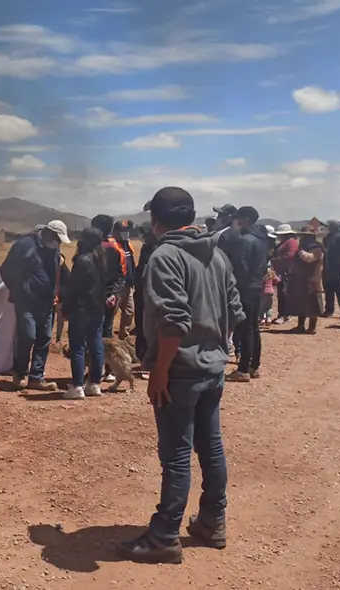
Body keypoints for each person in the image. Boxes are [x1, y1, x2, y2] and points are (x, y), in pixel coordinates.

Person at [117, 187, 244, 564]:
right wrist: (217, 348)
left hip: (180, 371)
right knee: (211, 447)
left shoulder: (165, 257)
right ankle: (211, 521)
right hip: (212, 368)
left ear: (156, 221)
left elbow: (173, 323)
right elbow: (235, 309)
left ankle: (165, 536)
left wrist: (159, 370)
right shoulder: (217, 255)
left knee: (175, 457)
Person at [0, 220, 70, 390]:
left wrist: (57, 293)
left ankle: (36, 378)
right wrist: (21, 290)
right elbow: (6, 270)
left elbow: (55, 272)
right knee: (28, 336)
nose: (58, 243)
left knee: (44, 339)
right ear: (48, 233)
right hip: (27, 302)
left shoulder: (54, 248)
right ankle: (19, 374)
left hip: (47, 302)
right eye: (57, 238)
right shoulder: (24, 246)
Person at [224, 207, 270, 382]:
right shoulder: (260, 239)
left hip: (245, 288)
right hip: (256, 286)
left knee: (245, 329)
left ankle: (243, 369)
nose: (236, 222)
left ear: (248, 220)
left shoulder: (245, 241)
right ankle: (253, 366)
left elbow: (241, 268)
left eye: (239, 219)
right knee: (253, 328)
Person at [61, 228, 108, 400]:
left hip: (81, 309)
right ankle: (94, 383)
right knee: (96, 345)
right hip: (98, 308)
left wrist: (66, 308)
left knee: (78, 347)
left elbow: (74, 288)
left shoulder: (82, 260)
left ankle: (77, 386)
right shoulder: (103, 259)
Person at [91, 215, 127, 340]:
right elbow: (121, 274)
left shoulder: (87, 249)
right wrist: (114, 294)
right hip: (109, 298)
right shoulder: (116, 249)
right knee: (106, 329)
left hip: (91, 299)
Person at [286, 228, 324, 334]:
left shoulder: (316, 249)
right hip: (301, 279)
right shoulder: (302, 247)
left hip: (312, 279)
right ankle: (300, 326)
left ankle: (312, 327)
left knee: (313, 304)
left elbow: (309, 258)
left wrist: (300, 251)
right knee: (301, 303)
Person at [133, 224, 158, 362]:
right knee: (141, 325)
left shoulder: (155, 249)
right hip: (141, 292)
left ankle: (148, 357)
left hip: (149, 294)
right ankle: (141, 355)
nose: (142, 238)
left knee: (148, 327)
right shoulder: (146, 248)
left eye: (144, 235)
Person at [271, 224, 299, 325]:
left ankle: (284, 314)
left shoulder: (291, 242)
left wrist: (275, 260)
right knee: (282, 293)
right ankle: (283, 314)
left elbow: (290, 256)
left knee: (284, 293)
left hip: (287, 271)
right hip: (282, 271)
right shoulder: (285, 242)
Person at [113, 220, 136, 338]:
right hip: (116, 287)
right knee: (112, 313)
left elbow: (131, 263)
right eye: (123, 232)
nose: (125, 234)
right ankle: (105, 339)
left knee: (129, 311)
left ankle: (123, 336)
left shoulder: (128, 245)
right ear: (115, 232)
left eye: (127, 231)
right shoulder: (112, 246)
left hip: (128, 285)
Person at [53, 252, 70, 343]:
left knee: (60, 320)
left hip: (61, 300)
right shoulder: (50, 270)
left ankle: (58, 338)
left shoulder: (66, 272)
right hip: (51, 299)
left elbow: (69, 286)